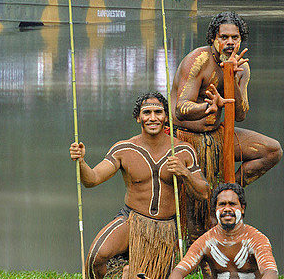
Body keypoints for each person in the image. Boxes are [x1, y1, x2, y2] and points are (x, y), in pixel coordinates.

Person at [70, 92, 209, 279]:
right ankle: (122, 273)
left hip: (165, 228)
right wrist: (81, 162)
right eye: (147, 113)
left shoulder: (183, 150)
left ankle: (130, 273)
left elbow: (204, 193)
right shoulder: (124, 149)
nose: (153, 118)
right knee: (96, 256)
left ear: (166, 117)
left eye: (158, 112)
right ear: (138, 118)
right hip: (132, 219)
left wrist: (184, 173)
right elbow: (92, 180)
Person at [171, 11, 282, 240]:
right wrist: (207, 108)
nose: (230, 42)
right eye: (224, 37)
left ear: (241, 39)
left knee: (273, 151)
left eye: (235, 37)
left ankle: (226, 193)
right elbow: (178, 109)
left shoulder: (242, 67)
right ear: (213, 38)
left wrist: (232, 78)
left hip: (218, 135)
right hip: (186, 137)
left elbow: (240, 115)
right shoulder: (199, 61)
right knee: (195, 215)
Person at [170, 183, 278, 279]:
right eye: (222, 204)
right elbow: (179, 271)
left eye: (232, 204)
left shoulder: (256, 239)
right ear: (215, 209)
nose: (227, 209)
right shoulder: (206, 241)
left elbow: (270, 272)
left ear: (242, 208)